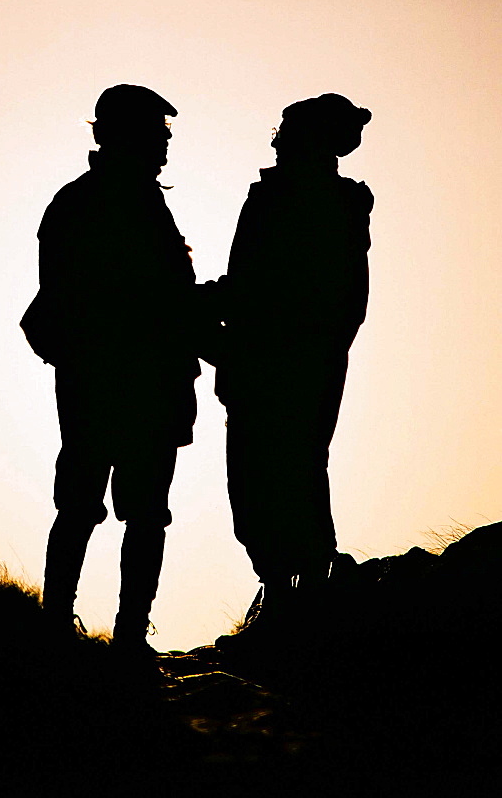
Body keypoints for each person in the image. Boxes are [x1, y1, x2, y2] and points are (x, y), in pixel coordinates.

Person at [22, 84, 200, 653]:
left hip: (104, 380)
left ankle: (89, 630)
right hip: (122, 380)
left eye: (163, 134)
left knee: (112, 509)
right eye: (156, 134)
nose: (165, 145)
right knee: (122, 511)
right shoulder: (105, 204)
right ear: (121, 136)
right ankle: (102, 633)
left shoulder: (88, 201)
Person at [215, 93, 373, 629]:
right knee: (282, 471)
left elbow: (266, 291)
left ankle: (294, 592)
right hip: (290, 363)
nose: (276, 139)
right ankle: (291, 589)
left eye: (286, 130)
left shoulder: (307, 203)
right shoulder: (318, 202)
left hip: (283, 365)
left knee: (277, 472)